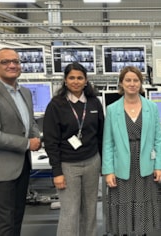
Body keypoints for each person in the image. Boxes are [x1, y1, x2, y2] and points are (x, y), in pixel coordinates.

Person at [0, 47, 42, 236]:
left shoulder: (25, 92)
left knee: (17, 217)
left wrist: (37, 137)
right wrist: (27, 144)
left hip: (22, 166)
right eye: (5, 62)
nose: (12, 65)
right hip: (1, 168)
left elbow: (30, 121)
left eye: (16, 61)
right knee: (4, 222)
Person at [102, 66, 161, 236]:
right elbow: (107, 143)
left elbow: (158, 139)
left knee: (143, 201)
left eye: (135, 80)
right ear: (121, 83)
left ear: (141, 83)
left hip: (145, 164)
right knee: (123, 202)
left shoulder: (151, 107)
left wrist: (159, 166)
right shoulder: (112, 109)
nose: (132, 84)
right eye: (128, 80)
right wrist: (108, 171)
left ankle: (142, 232)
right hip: (121, 164)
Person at [43, 62, 104, 236]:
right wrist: (57, 172)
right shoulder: (56, 105)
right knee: (70, 212)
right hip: (67, 166)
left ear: (86, 81)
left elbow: (100, 134)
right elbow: (50, 141)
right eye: (71, 78)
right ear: (65, 80)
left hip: (92, 162)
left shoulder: (94, 103)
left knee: (90, 210)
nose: (76, 81)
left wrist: (102, 164)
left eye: (80, 78)